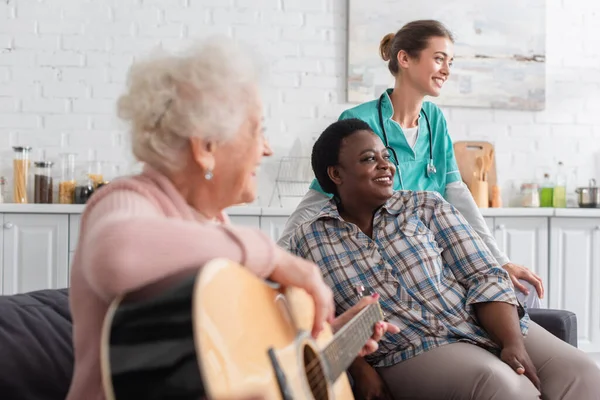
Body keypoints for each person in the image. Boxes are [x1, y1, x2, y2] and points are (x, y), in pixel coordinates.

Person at [65, 38, 398, 400]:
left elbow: (229, 363)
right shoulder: (128, 200)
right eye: (258, 129)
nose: (267, 149)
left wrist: (327, 344)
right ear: (207, 147)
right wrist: (275, 257)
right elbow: (119, 255)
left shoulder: (215, 227)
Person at [288, 118, 600, 400]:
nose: (386, 166)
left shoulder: (426, 206)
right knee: (503, 387)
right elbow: (317, 322)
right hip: (409, 349)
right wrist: (360, 369)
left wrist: (512, 343)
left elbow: (484, 274)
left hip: (478, 322)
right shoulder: (309, 240)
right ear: (336, 174)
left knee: (585, 374)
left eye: (386, 156)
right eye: (370, 159)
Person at [278, 19, 543, 309]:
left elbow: (457, 195)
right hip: (381, 257)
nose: (446, 70)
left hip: (431, 250)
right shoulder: (358, 122)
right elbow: (319, 197)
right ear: (404, 58)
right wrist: (277, 260)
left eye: (450, 61)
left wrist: (500, 261)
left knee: (520, 293)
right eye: (439, 58)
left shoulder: (435, 120)